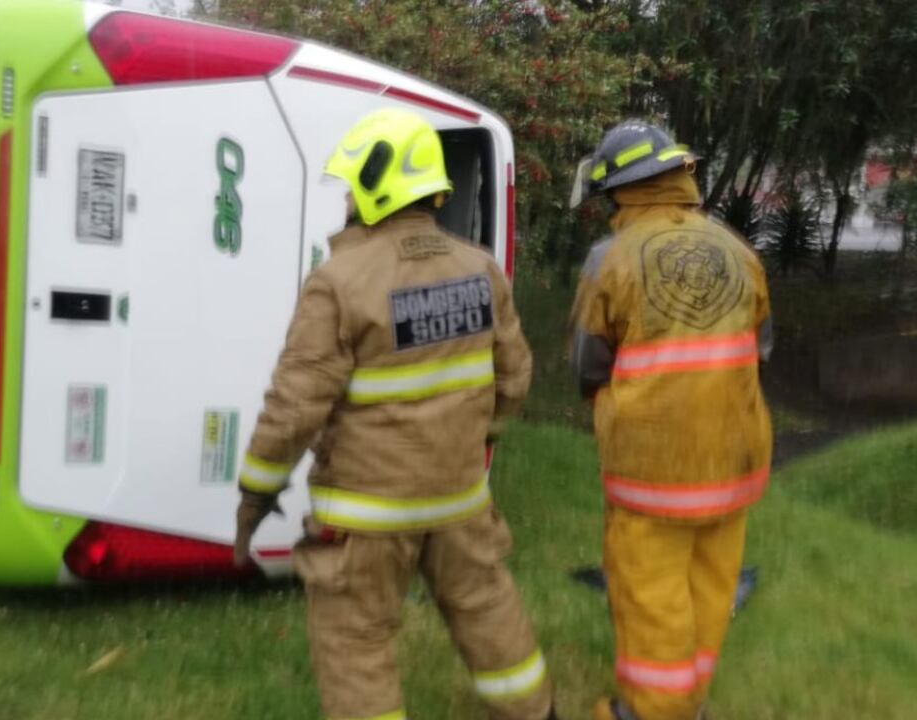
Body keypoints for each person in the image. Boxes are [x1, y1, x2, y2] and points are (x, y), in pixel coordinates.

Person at [232, 107, 557, 720]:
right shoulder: (480, 269)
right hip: (460, 499)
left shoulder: (339, 281)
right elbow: (514, 378)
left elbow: (295, 408)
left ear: (376, 186)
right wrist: (476, 437)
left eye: (354, 187)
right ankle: (536, 712)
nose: (350, 200)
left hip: (367, 514)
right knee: (485, 605)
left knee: (357, 639)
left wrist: (255, 497)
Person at [568, 120, 774, 720]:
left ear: (619, 191)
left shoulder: (610, 258)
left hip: (651, 467)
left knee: (651, 593)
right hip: (735, 459)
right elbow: (760, 350)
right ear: (680, 176)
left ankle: (651, 710)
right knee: (711, 588)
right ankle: (690, 699)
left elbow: (588, 365)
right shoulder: (741, 252)